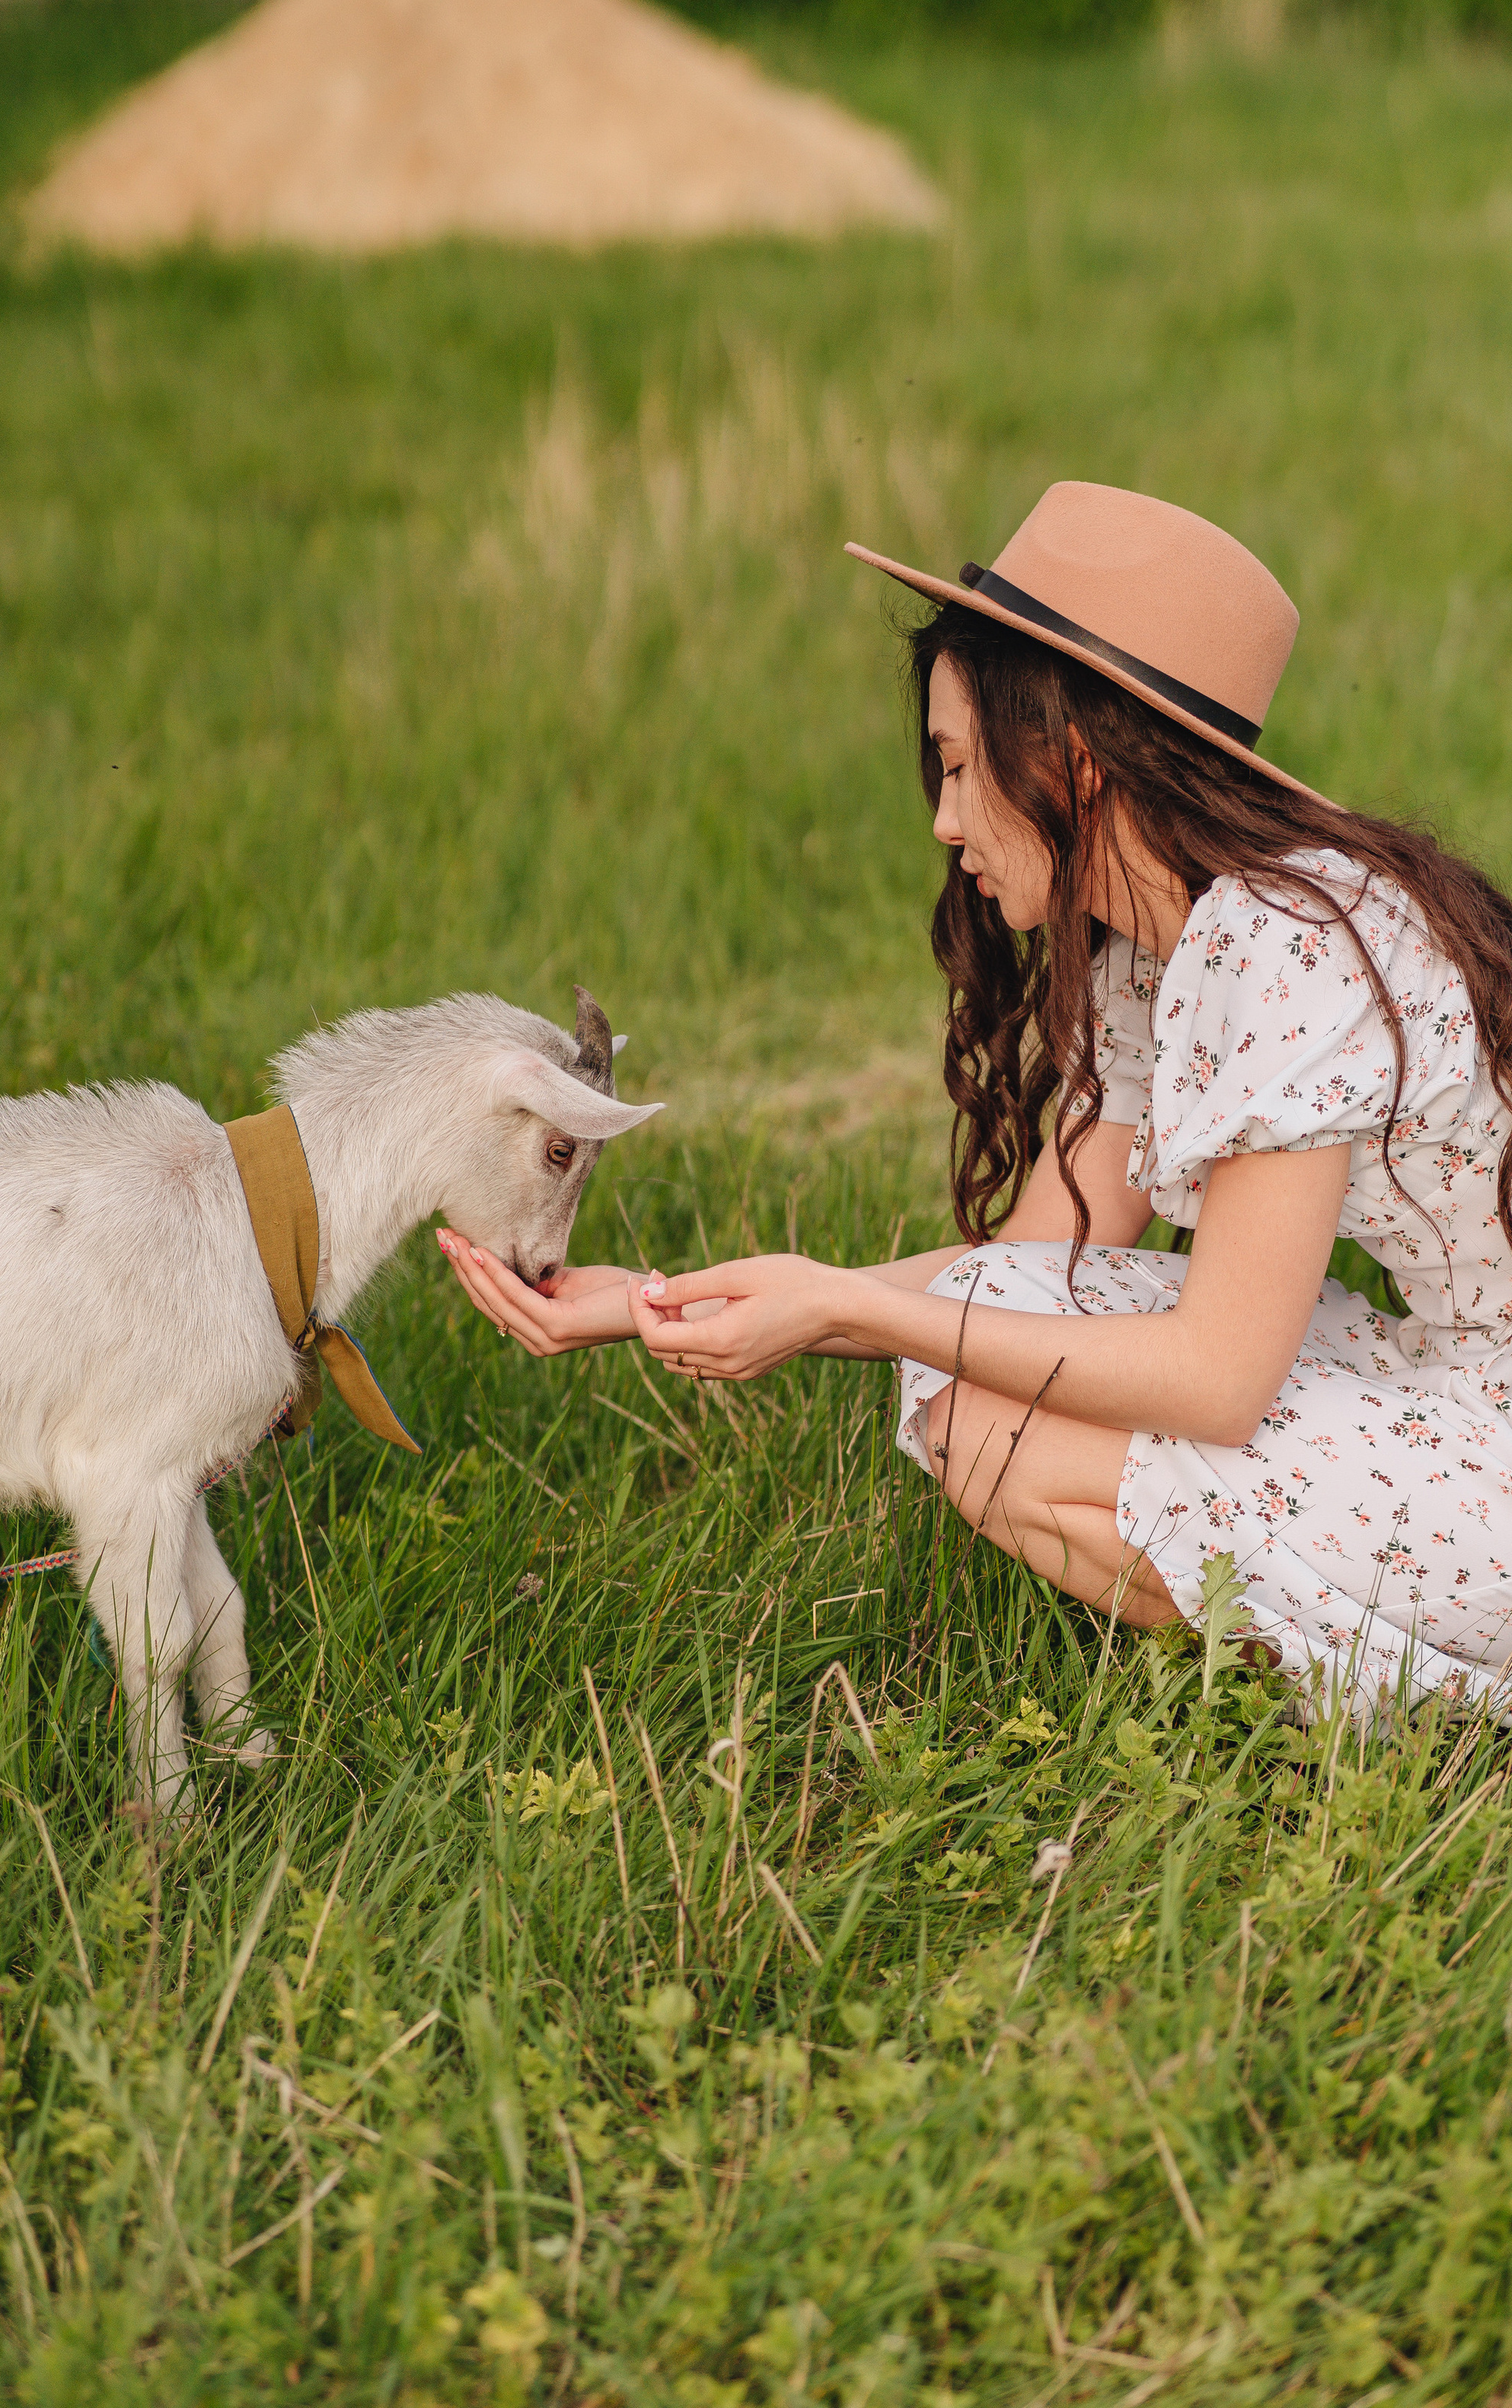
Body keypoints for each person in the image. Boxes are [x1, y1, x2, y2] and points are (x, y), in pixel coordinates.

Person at [438, 481, 1512, 1713]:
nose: (946, 820)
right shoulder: (1164, 944)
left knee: (998, 1430)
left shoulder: (1277, 945)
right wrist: (662, 1301)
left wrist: (853, 1309)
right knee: (980, 1373)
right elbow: (1033, 1270)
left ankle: (1412, 1709)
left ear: (1072, 758)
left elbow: (1218, 1376)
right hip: (1447, 1380)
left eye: (959, 766)